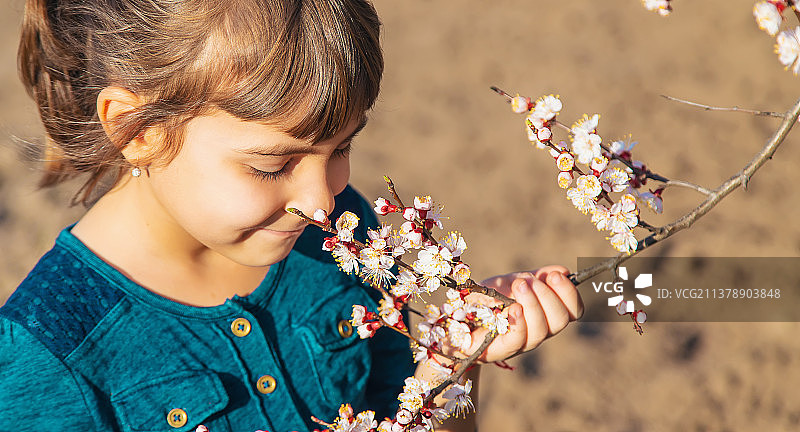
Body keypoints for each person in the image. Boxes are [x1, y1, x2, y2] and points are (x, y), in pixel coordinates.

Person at [0, 0, 583, 431]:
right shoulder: (51, 360)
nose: (323, 202)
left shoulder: (346, 243)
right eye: (272, 165)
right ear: (138, 130)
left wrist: (451, 368)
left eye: (341, 149)